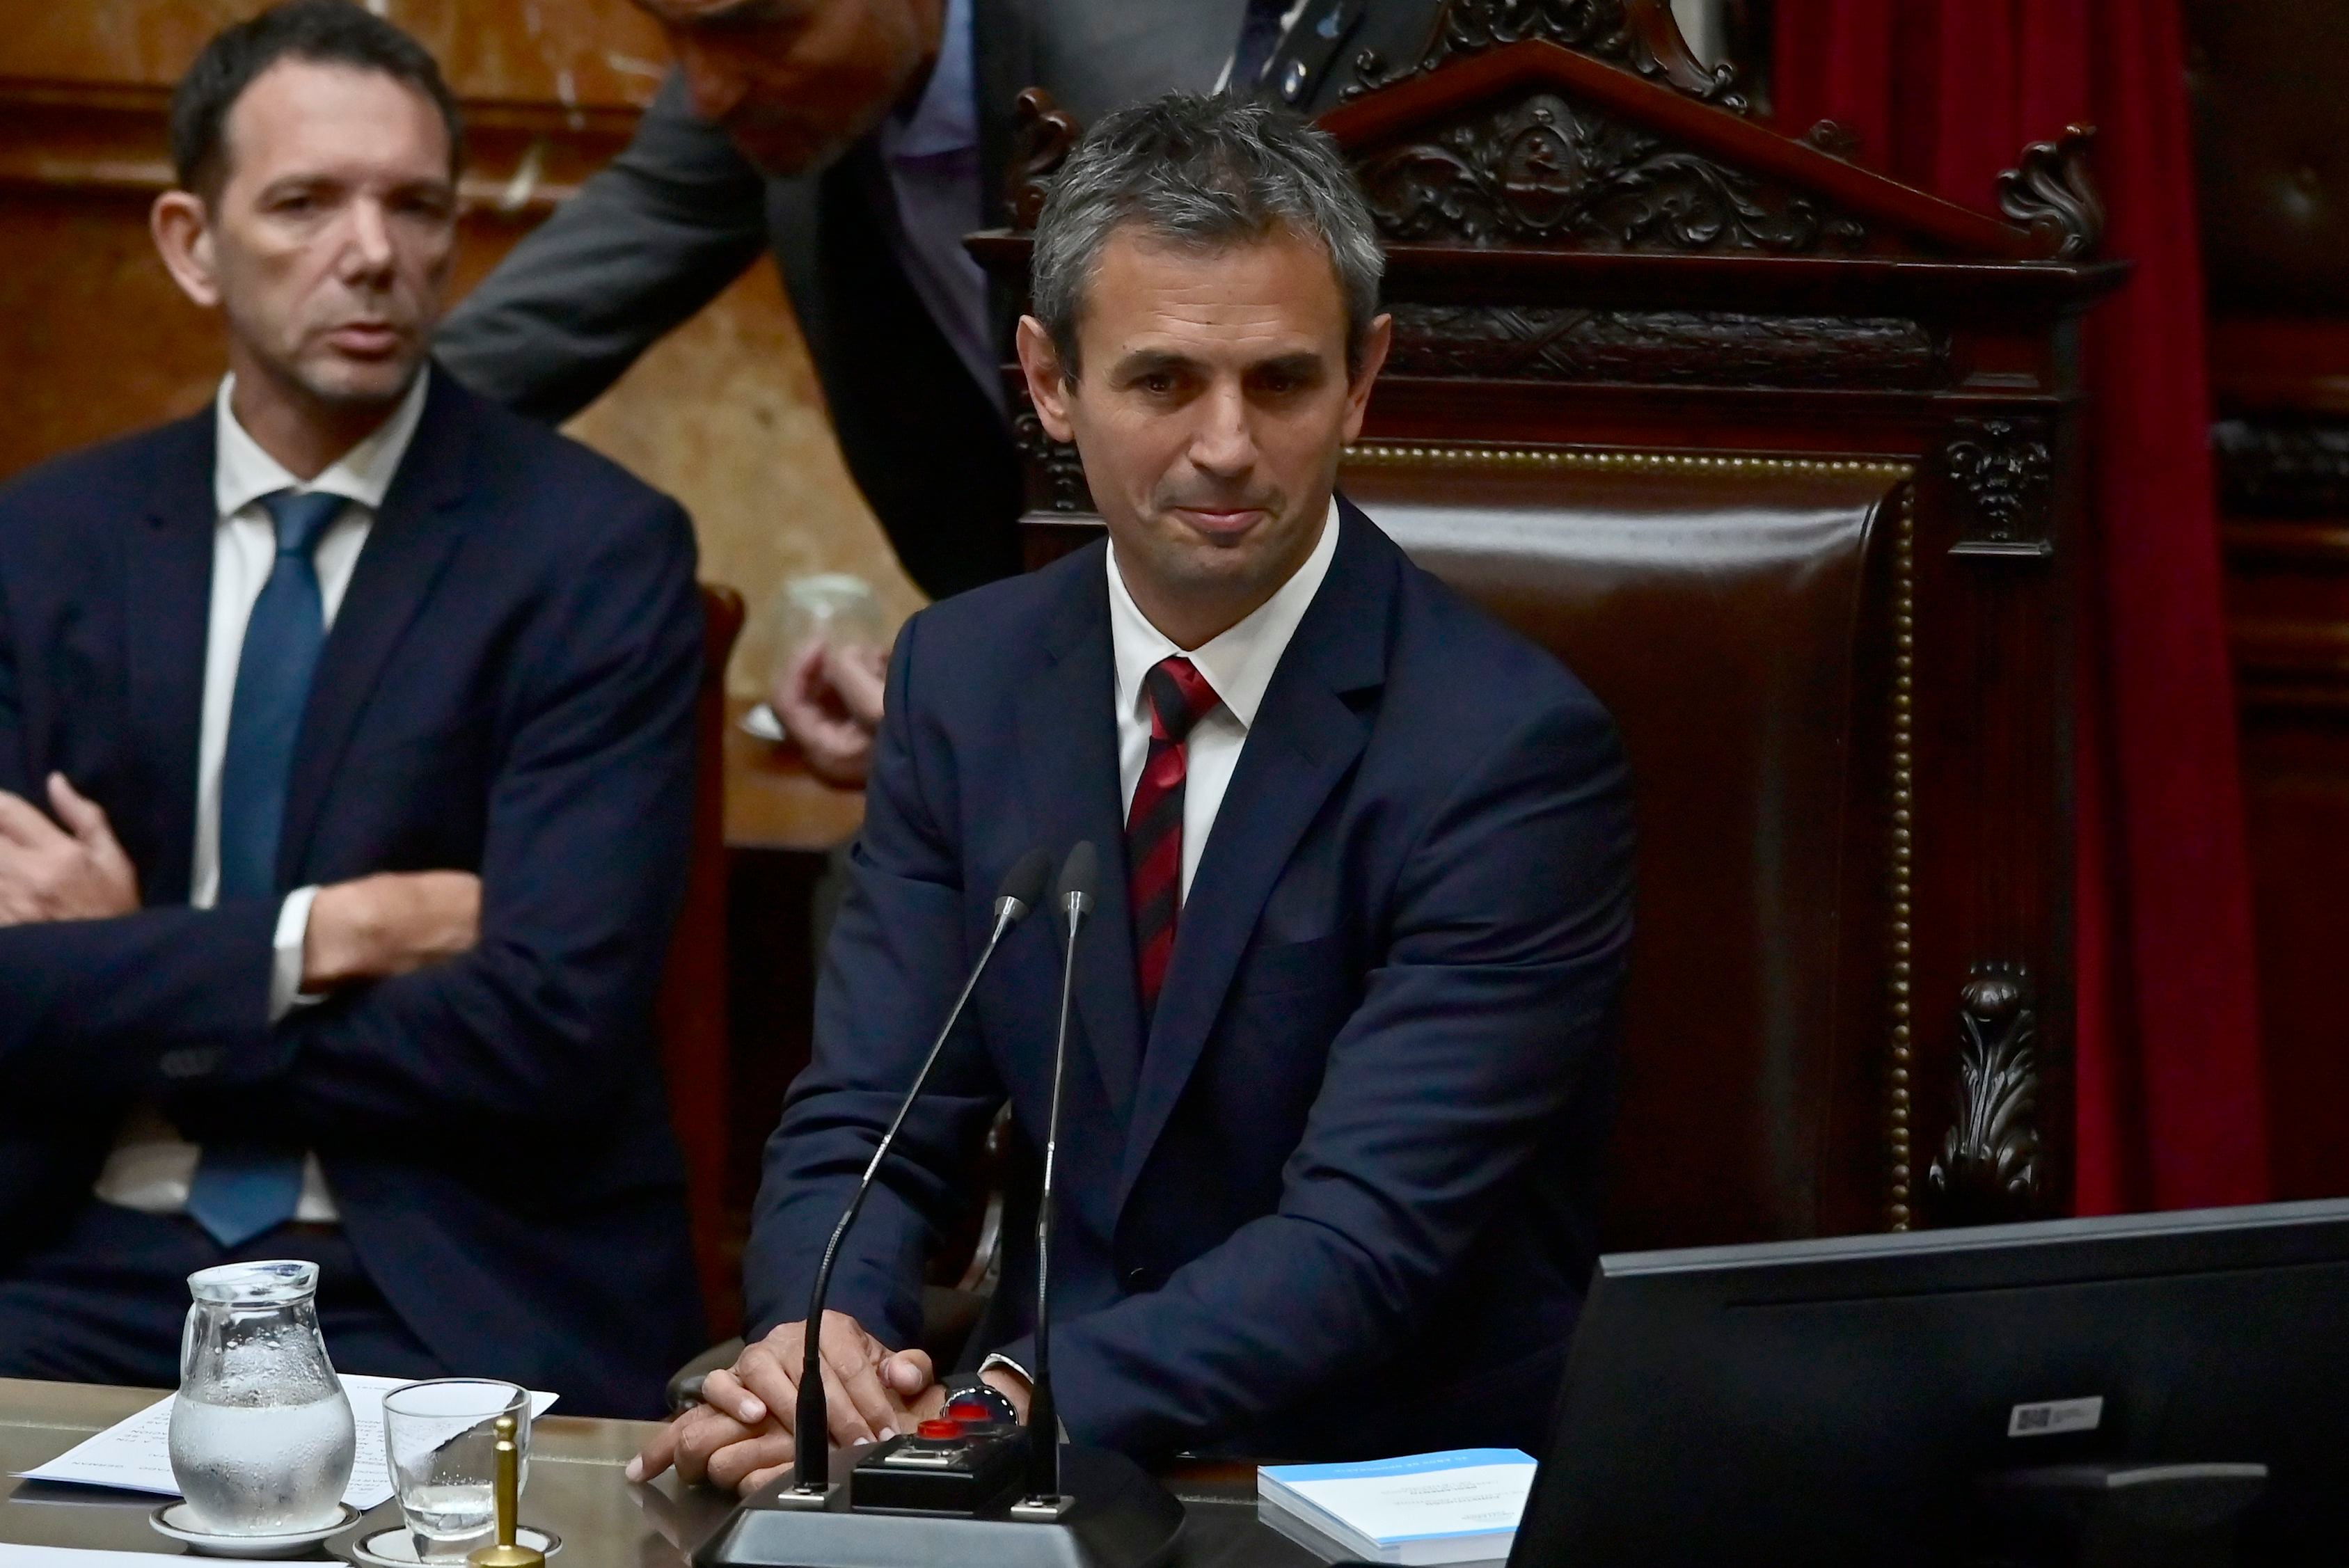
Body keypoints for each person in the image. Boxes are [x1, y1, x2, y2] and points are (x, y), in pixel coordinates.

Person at [633, 91, 1634, 1491]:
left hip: (1362, 1482)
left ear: (1360, 378)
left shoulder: (1508, 752)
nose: (1224, 446)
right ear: (1048, 381)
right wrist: (822, 1344)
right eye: (1162, 381)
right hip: (1023, 1473)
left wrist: (979, 1413)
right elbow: (865, 1113)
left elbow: (1362, 1245)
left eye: (1280, 382)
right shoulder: (962, 679)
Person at [0, 1, 706, 1417]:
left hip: (443, 1276)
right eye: (306, 203)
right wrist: (330, 936)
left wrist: (135, 974)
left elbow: (545, 1029)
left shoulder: (592, 551)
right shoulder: (43, 542)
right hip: (75, 1258)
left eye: (415, 205)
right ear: (191, 245)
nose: (372, 253)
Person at [436, 0, 1445, 783]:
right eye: (676, 37)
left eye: (753, 29)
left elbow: (1253, 438)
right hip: (1044, 661)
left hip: (1291, 673)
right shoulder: (760, 82)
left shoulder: (1139, 96)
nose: (705, 92)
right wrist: (316, 441)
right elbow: (547, 319)